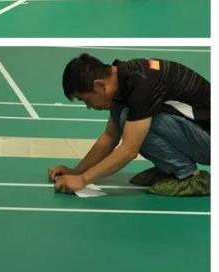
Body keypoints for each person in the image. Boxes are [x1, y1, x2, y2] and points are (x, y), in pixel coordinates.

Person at [50, 53, 210, 196]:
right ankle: (170, 170)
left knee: (130, 118)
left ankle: (188, 176)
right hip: (199, 135)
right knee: (125, 115)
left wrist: (82, 180)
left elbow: (129, 150)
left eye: (86, 100)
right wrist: (76, 171)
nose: (89, 106)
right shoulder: (123, 82)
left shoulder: (142, 85)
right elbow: (109, 137)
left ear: (100, 85)